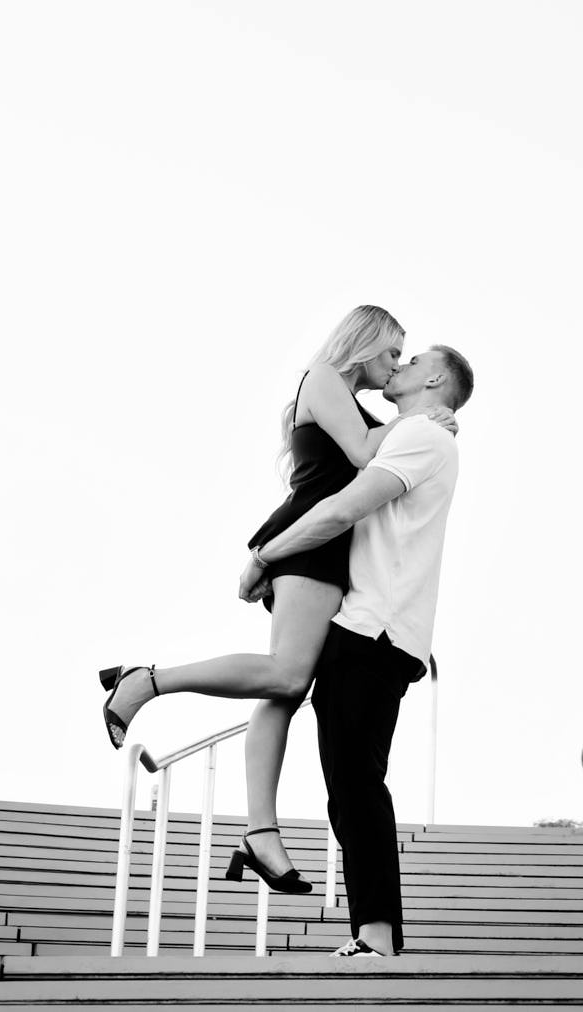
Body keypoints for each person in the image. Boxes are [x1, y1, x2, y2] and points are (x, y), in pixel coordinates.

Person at [98, 304, 456, 894]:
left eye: (405, 359)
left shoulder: (355, 403)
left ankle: (260, 833)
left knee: (283, 687)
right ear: (363, 344)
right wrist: (424, 417)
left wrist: (419, 419)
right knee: (287, 677)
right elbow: (366, 455)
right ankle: (147, 680)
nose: (396, 365)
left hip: (323, 548)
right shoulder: (322, 379)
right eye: (393, 352)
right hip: (308, 542)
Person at [238, 343, 473, 959]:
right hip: (371, 628)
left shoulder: (424, 437)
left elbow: (344, 508)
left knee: (355, 784)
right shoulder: (412, 431)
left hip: (375, 632)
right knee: (345, 776)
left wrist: (266, 555)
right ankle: (371, 929)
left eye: (412, 356)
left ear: (436, 377)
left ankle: (376, 936)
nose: (400, 362)